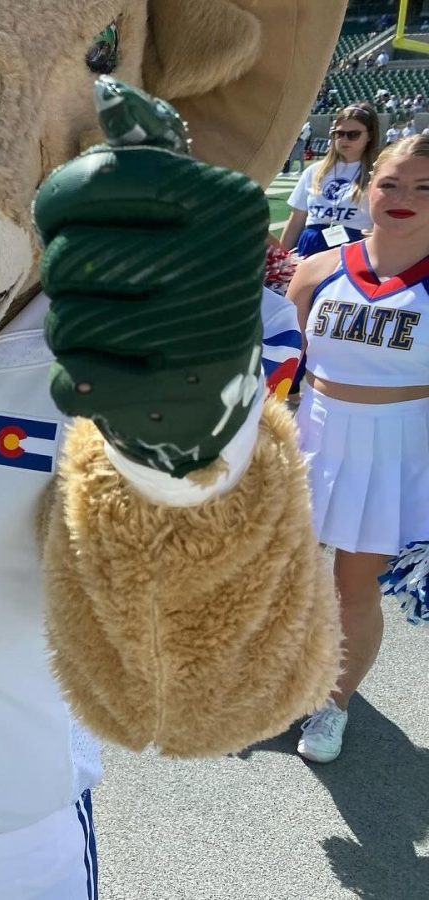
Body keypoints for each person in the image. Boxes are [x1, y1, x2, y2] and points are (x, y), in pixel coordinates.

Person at [287, 135, 429, 763]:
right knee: (279, 578)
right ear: (367, 185)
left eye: (424, 189)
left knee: (354, 587)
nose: (403, 199)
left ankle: (332, 705)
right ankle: (273, 680)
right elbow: (279, 363)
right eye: (392, 183)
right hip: (308, 434)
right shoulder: (318, 269)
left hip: (392, 449)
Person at [279, 104, 378, 256]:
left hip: (353, 248)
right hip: (311, 247)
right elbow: (295, 222)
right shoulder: (314, 171)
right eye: (339, 134)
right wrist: (280, 259)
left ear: (369, 136)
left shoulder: (377, 172)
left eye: (353, 134)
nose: (344, 139)